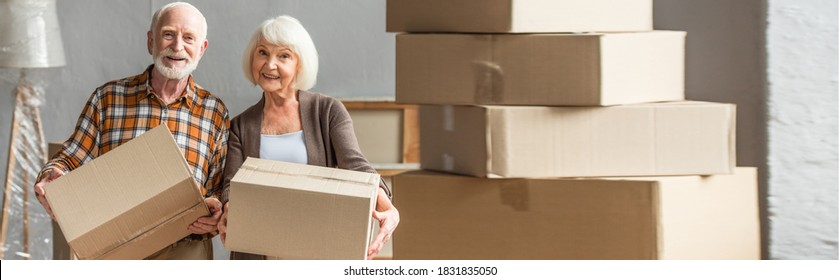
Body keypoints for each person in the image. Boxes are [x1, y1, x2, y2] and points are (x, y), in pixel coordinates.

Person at [32, 2, 229, 260]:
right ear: (151, 41)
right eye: (168, 34)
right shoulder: (109, 99)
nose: (178, 46)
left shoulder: (214, 112)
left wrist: (216, 212)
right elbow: (71, 158)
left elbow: (218, 187)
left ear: (201, 49)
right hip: (117, 249)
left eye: (188, 38)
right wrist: (52, 176)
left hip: (185, 250)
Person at [216, 15, 399, 260]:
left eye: (283, 56)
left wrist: (387, 206)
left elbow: (355, 165)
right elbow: (232, 185)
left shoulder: (327, 111)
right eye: (262, 52)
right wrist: (229, 209)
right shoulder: (240, 125)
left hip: (316, 250)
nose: (270, 65)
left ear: (299, 65)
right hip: (258, 252)